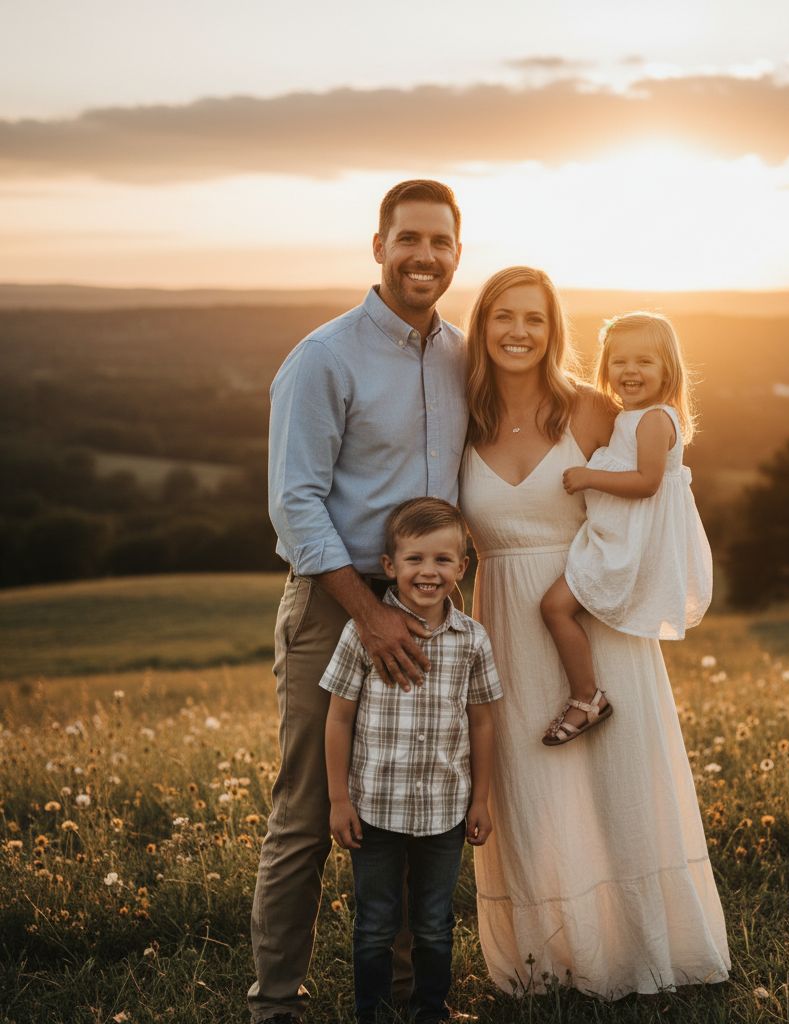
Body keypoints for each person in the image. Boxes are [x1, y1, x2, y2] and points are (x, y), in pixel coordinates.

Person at [458, 266, 731, 997]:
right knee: (534, 790)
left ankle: (647, 953)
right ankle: (554, 962)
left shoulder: (592, 410)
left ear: (556, 332)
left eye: (535, 319)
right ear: (481, 328)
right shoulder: (461, 415)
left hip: (592, 607)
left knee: (621, 785)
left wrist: (631, 590)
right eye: (502, 317)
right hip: (506, 620)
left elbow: (653, 495)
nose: (518, 332)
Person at [251, 180, 468, 1024]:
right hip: (335, 604)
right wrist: (369, 612)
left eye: (441, 243)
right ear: (377, 246)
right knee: (308, 811)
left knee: (415, 808)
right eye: (409, 239)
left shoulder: (462, 355)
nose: (425, 257)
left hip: (431, 610)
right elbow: (293, 501)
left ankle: (414, 1004)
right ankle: (277, 1006)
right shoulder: (324, 356)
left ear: (457, 253)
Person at [321, 497, 502, 1024]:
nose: (429, 571)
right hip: (375, 809)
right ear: (389, 567)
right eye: (415, 559)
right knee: (376, 922)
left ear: (462, 568)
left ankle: (431, 1011)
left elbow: (483, 722)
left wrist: (481, 800)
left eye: (443, 560)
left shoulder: (472, 639)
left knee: (434, 922)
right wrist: (338, 799)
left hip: (445, 812)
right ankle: (371, 1013)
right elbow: (338, 719)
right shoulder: (363, 632)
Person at [538, 311, 713, 745]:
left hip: (629, 544)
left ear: (667, 369)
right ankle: (586, 694)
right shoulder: (630, 416)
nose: (630, 371)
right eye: (619, 361)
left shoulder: (655, 419)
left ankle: (586, 699)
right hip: (616, 536)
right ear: (605, 366)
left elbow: (647, 483)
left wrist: (588, 476)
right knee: (557, 607)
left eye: (644, 362)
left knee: (554, 607)